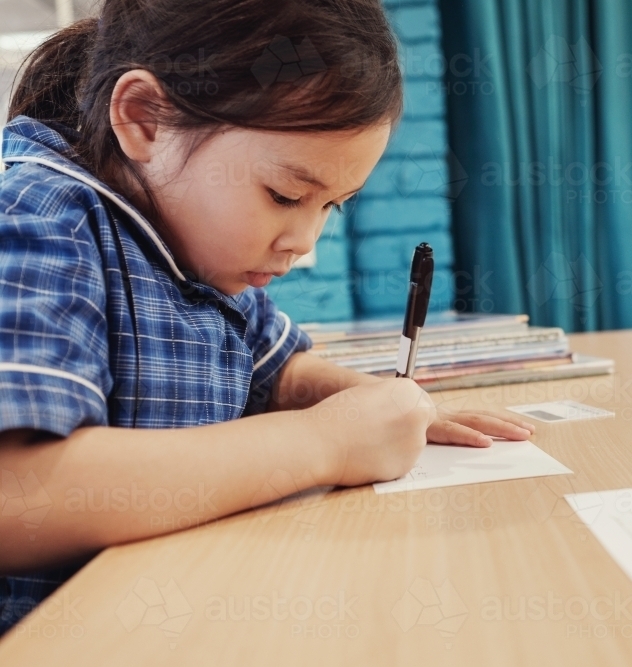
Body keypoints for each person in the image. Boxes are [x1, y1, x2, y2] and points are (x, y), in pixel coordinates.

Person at [0, 0, 535, 634]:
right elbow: (19, 494)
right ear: (143, 118)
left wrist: (384, 405)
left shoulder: (194, 247)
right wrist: (325, 443)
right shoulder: (40, 222)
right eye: (285, 196)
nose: (303, 241)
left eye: (330, 207)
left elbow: (280, 370)